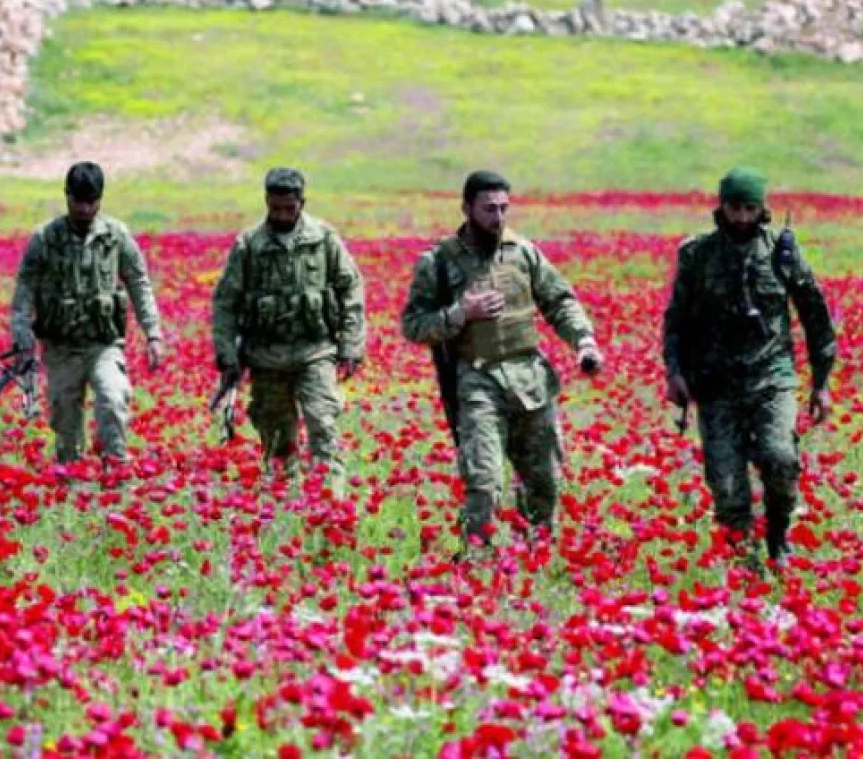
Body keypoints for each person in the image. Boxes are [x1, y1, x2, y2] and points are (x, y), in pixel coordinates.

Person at [401, 170, 603, 558]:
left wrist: (584, 342)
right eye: (488, 209)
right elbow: (414, 326)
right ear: (466, 208)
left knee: (543, 481)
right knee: (484, 480)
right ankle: (479, 563)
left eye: (503, 208)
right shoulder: (439, 262)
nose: (498, 218)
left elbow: (560, 301)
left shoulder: (523, 253)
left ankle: (534, 558)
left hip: (530, 380)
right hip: (477, 381)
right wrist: (461, 312)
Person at [662, 166, 837, 569]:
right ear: (720, 208)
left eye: (749, 208)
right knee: (726, 485)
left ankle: (778, 535)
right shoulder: (696, 255)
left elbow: (815, 316)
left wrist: (821, 383)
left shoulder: (782, 253)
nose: (741, 217)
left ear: (763, 210)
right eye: (734, 208)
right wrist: (675, 372)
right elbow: (678, 320)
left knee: (779, 459)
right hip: (716, 384)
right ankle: (744, 565)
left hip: (770, 378)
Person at [211, 167, 365, 486]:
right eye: (275, 207)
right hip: (266, 357)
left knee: (323, 427)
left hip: (315, 351)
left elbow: (351, 290)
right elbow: (225, 302)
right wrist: (227, 356)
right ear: (266, 201)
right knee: (278, 440)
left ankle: (329, 507)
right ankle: (284, 511)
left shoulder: (323, 240)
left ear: (302, 203)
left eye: (289, 208)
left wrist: (351, 346)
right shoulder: (249, 245)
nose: (282, 215)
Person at [7, 161, 167, 465]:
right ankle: (71, 479)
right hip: (61, 346)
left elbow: (139, 283)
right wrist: (22, 334)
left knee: (113, 397)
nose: (83, 209)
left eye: (90, 202)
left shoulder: (115, 236)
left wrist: (153, 334)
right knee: (66, 419)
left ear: (100, 200)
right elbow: (25, 289)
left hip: (102, 344)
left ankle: (116, 470)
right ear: (66, 196)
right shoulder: (45, 239)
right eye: (77, 201)